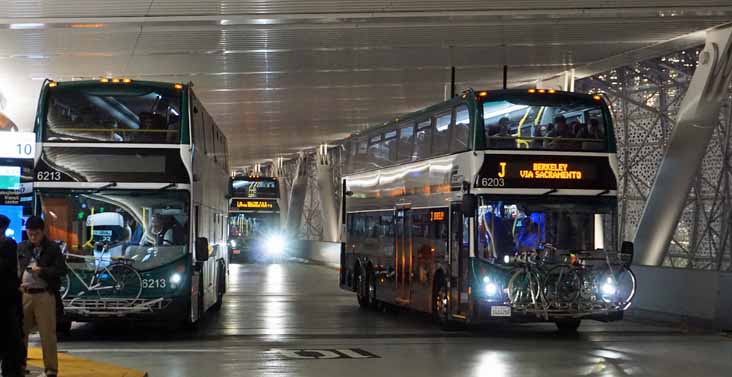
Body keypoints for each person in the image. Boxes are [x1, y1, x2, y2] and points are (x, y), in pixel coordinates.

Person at [18, 216, 65, 377]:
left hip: (44, 294)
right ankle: (20, 365)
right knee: (20, 333)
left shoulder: (52, 248)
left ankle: (51, 369)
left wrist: (42, 270)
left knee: (47, 334)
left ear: (42, 232)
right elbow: (16, 267)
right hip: (24, 294)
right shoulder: (22, 247)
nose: (33, 237)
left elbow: (61, 270)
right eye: (30, 234)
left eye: (36, 234)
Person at [0, 215, 23, 377]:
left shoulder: (7, 245)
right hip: (8, 301)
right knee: (10, 341)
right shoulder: (9, 244)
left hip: (6, 300)